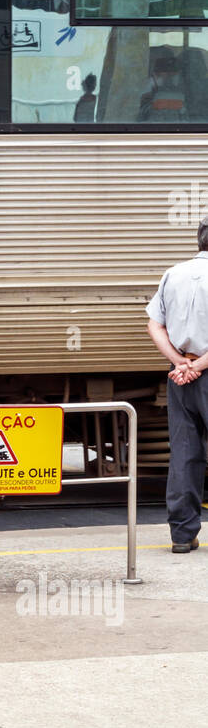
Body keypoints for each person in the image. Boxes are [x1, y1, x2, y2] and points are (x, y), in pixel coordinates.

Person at [146, 218, 208, 551]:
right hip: (199, 369)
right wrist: (198, 364)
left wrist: (181, 362)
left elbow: (154, 326)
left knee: (184, 452)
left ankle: (182, 536)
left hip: (180, 376)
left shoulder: (174, 273)